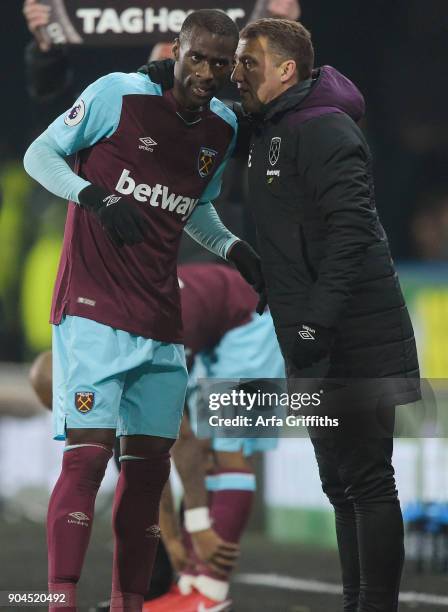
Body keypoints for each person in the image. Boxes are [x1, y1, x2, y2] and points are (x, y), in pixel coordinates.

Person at [23, 10, 266, 612]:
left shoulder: (221, 129)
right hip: (92, 306)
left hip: (160, 317)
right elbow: (40, 155)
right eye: (199, 57)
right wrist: (95, 197)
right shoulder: (117, 94)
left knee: (150, 471)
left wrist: (232, 247)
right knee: (87, 454)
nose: (207, 72)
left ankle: (130, 603)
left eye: (220, 62)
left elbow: (197, 209)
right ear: (179, 50)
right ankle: (59, 602)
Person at [231, 18, 420, 612]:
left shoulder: (325, 129)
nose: (237, 71)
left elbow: (353, 233)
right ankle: (353, 602)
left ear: (287, 70)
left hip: (355, 335)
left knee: (366, 482)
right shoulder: (270, 127)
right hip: (310, 337)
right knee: (339, 485)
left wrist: (317, 319)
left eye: (249, 61)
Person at [29, 263, 285, 612]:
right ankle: (191, 585)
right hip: (214, 328)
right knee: (177, 448)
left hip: (249, 321)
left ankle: (209, 594)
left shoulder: (127, 342)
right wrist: (174, 538)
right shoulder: (106, 337)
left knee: (228, 449)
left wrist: (195, 527)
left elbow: (182, 439)